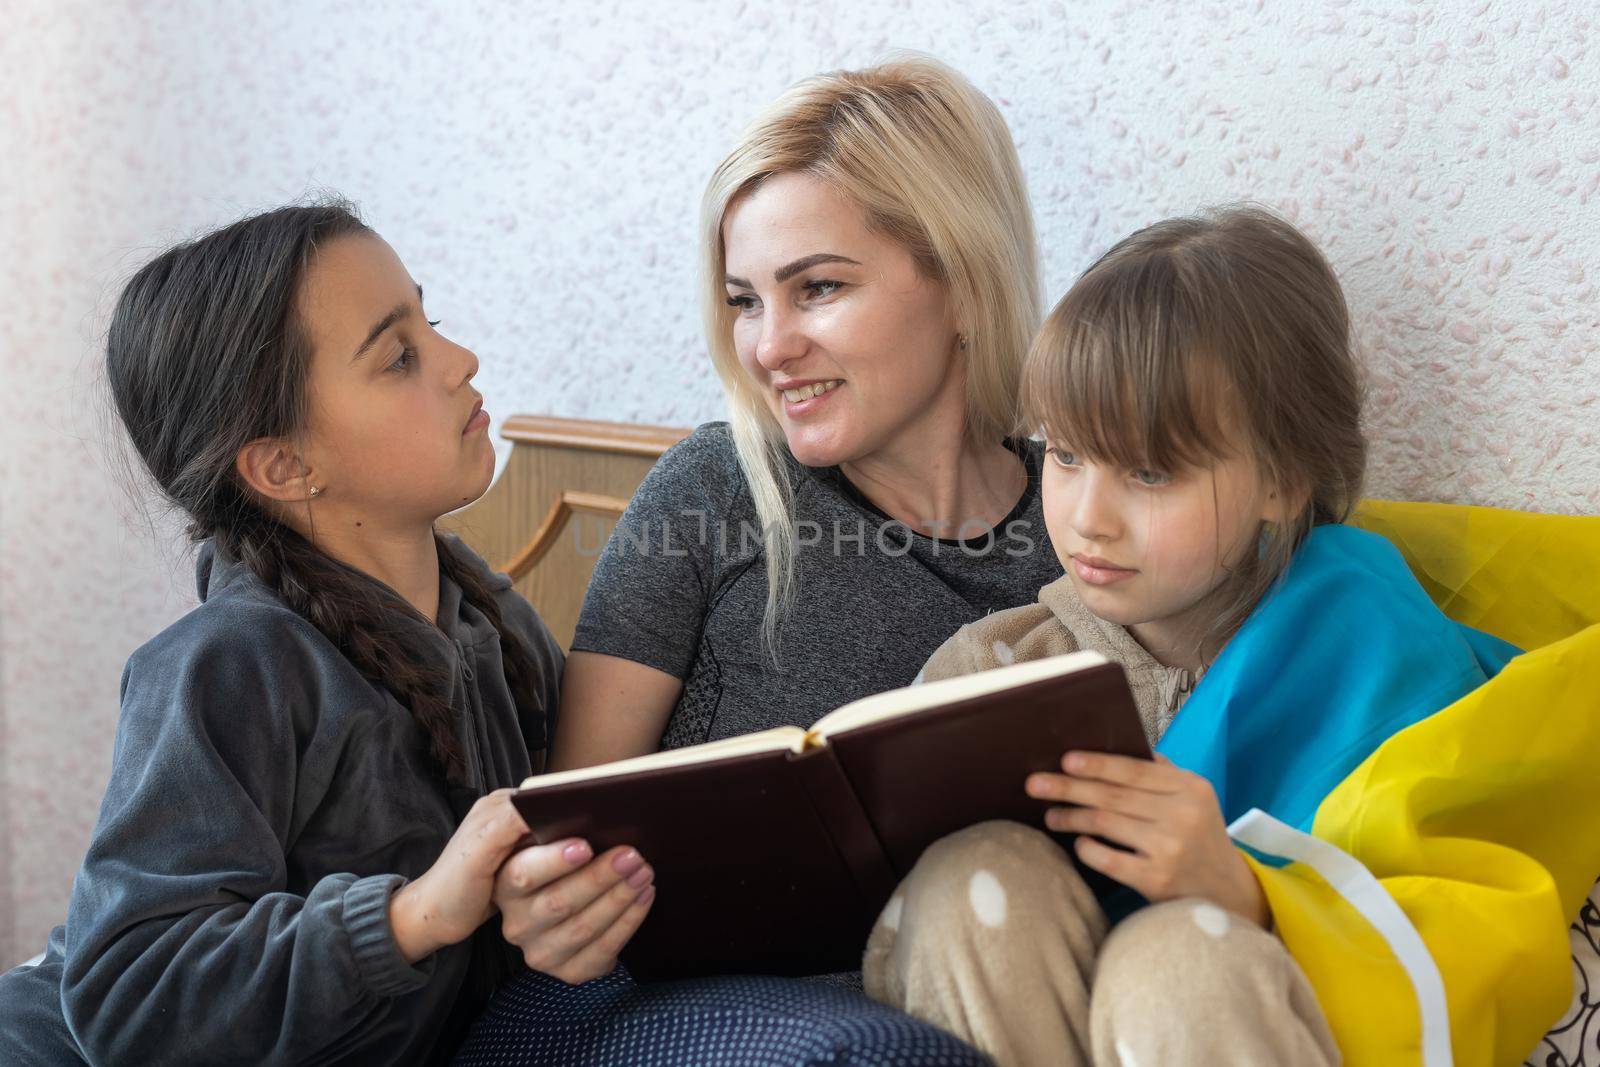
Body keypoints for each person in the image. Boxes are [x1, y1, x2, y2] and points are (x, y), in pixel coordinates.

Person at [859, 206, 1528, 1066]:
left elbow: (1462, 930)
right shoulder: (1002, 663)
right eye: (1063, 454)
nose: (1087, 518)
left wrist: (1248, 892)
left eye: (1147, 471)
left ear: (1283, 482)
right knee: (966, 880)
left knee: (1174, 957)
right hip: (1032, 994)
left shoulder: (1379, 655)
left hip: (1253, 1010)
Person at [0, 202, 655, 1065]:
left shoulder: (495, 626)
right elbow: (129, 994)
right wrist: (415, 913)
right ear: (284, 464)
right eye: (398, 356)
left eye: (433, 323)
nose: (463, 362)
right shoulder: (226, 666)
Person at [553, 54, 1062, 766]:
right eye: (745, 302)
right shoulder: (712, 491)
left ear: (966, 285)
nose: (768, 348)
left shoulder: (1083, 517)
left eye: (819, 287)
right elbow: (572, 827)